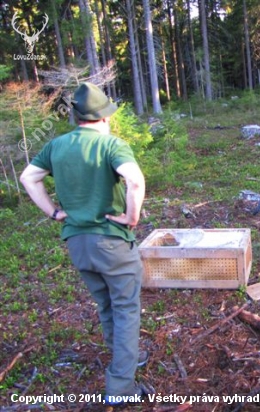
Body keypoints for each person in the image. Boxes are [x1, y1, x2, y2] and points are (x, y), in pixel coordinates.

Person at [20, 82, 148, 401]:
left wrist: (53, 213)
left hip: (77, 243)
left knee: (106, 305)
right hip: (112, 243)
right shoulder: (111, 145)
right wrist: (131, 219)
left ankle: (124, 356)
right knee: (126, 309)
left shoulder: (57, 145)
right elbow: (134, 180)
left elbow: (28, 177)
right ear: (104, 118)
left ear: (76, 118)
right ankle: (121, 387)